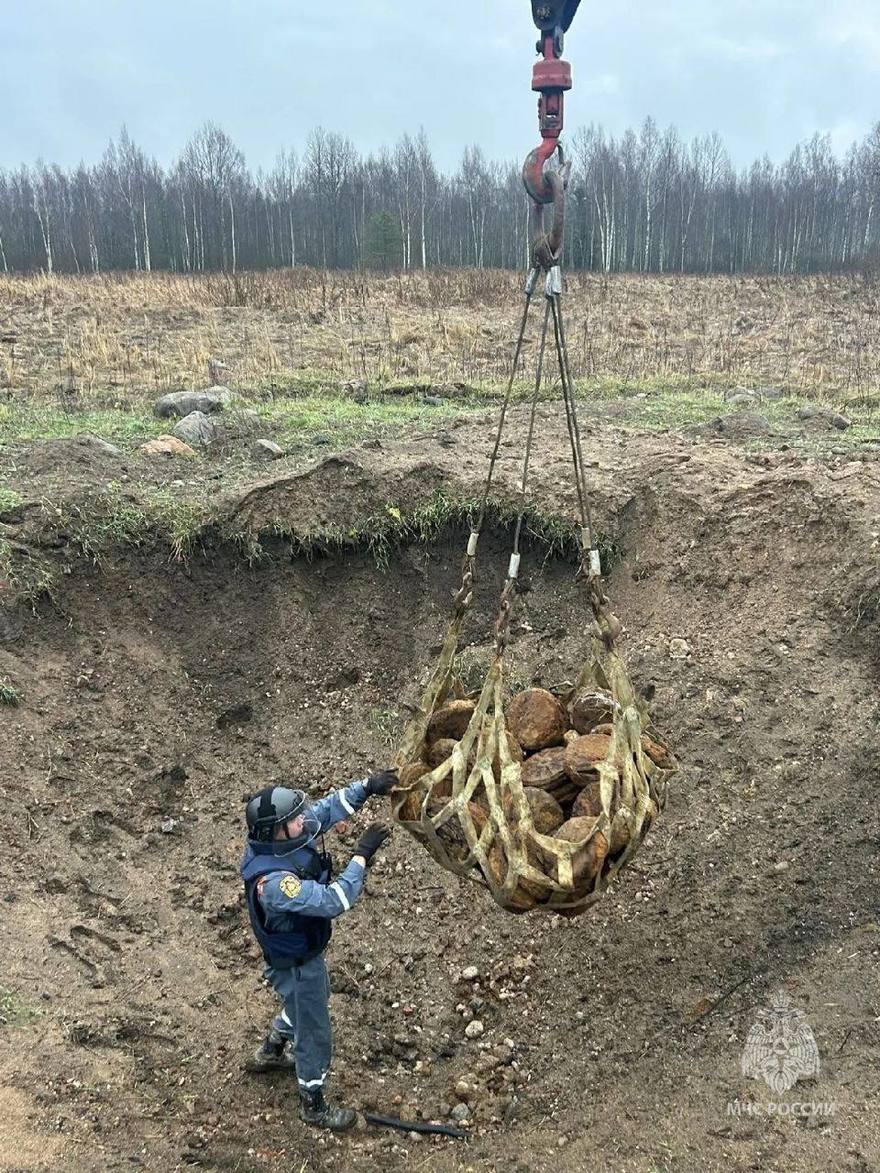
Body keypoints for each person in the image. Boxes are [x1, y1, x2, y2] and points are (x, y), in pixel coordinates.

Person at [240, 770, 397, 1131]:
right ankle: (313, 1103)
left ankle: (272, 1048)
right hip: (296, 963)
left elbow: (323, 811)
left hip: (301, 958)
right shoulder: (275, 884)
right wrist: (360, 857)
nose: (303, 820)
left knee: (307, 1001)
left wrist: (367, 787)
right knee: (313, 1030)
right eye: (293, 819)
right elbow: (333, 900)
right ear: (276, 831)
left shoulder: (280, 840)